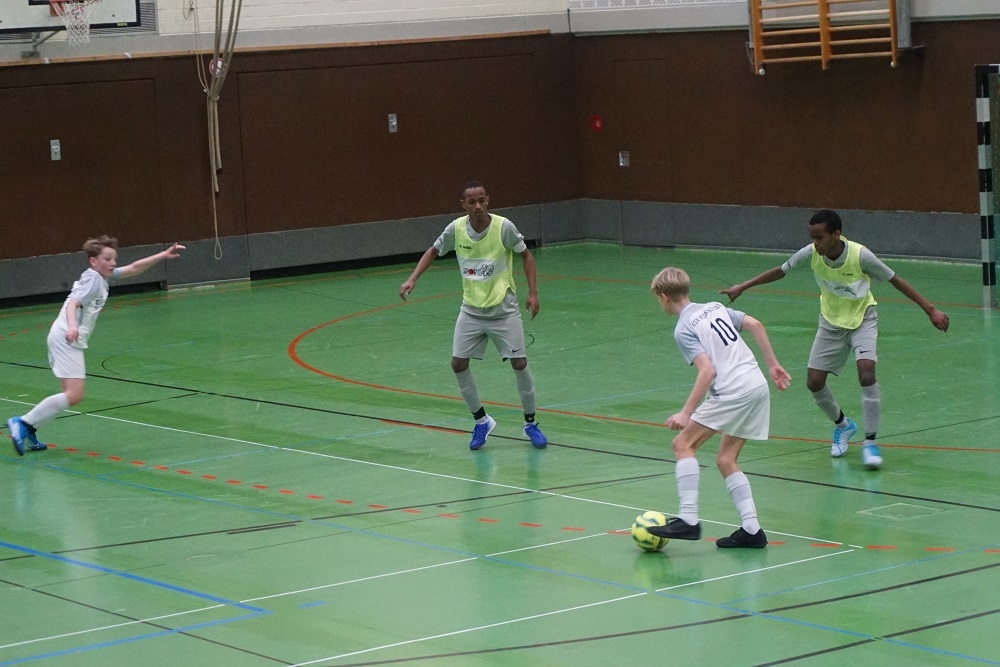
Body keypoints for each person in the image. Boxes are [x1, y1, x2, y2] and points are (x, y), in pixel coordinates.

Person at [720, 209, 949, 470]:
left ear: (836, 234)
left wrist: (930, 310)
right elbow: (780, 271)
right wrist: (743, 286)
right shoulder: (810, 253)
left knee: (866, 373)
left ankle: (870, 442)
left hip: (863, 319)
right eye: (812, 237)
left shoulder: (860, 256)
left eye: (819, 237)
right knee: (814, 382)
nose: (815, 243)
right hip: (830, 323)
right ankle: (843, 426)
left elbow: (896, 280)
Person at [644, 267, 790, 549]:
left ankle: (688, 519)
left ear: (664, 297)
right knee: (726, 459)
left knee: (682, 445)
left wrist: (686, 412)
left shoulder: (683, 328)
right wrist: (773, 365)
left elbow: (707, 371)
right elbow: (756, 325)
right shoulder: (714, 307)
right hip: (756, 386)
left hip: (732, 391)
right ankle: (752, 530)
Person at [399, 181, 547, 451]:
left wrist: (533, 293)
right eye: (471, 202)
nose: (477, 206)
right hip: (471, 310)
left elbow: (526, 256)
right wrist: (412, 279)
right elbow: (433, 251)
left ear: (487, 200)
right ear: (463, 205)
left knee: (519, 363)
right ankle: (482, 421)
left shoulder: (504, 227)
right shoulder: (455, 229)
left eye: (481, 200)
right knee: (458, 364)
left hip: (503, 309)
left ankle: (530, 424)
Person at [7, 236, 185, 456]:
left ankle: (30, 429)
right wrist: (73, 326)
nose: (112, 263)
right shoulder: (94, 280)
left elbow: (133, 269)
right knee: (74, 395)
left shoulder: (100, 277)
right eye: (107, 259)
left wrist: (163, 255)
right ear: (93, 261)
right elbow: (73, 304)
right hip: (67, 338)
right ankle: (22, 423)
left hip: (64, 337)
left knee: (69, 394)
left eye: (114, 259)